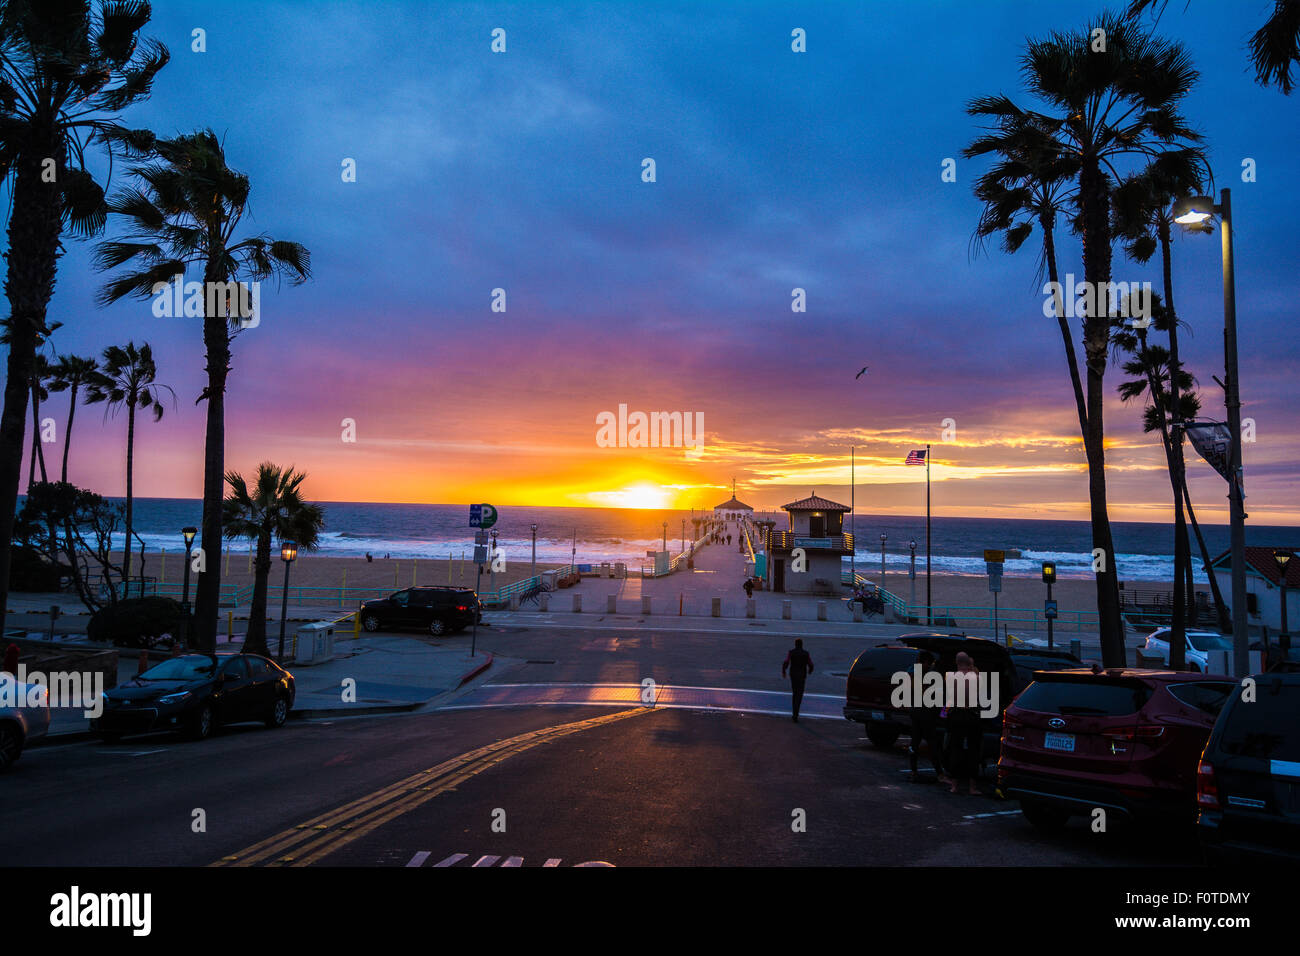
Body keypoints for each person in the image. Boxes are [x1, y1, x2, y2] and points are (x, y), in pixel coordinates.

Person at [908, 651, 950, 785]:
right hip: (925, 714)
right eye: (930, 663)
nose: (931, 666)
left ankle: (913, 772)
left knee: (915, 743)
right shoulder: (926, 675)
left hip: (915, 713)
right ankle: (939, 774)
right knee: (932, 744)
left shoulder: (912, 673)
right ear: (925, 662)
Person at [944, 651, 983, 795]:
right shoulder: (978, 677)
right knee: (974, 750)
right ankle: (972, 787)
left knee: (955, 748)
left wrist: (944, 713)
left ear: (956, 662)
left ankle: (954, 786)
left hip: (957, 714)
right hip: (972, 715)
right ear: (969, 663)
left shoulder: (951, 677)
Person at [782, 638, 814, 722]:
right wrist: (810, 671)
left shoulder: (791, 652)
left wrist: (784, 671)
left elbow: (786, 662)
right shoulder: (806, 654)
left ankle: (794, 713)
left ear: (795, 644)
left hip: (793, 675)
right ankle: (796, 712)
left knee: (795, 693)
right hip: (802, 675)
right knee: (800, 694)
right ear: (802, 645)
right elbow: (811, 664)